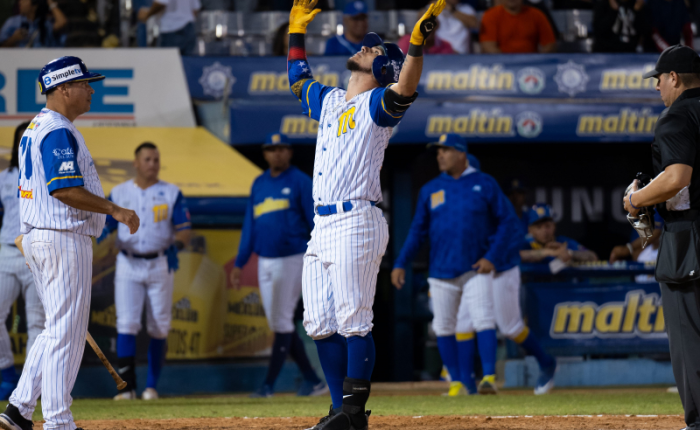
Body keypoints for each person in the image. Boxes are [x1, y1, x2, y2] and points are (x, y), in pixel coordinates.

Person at [287, 0, 436, 426]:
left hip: (356, 219)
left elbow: (406, 88)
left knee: (354, 321)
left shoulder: (377, 104)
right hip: (322, 224)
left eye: (373, 50)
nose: (364, 47)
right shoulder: (331, 100)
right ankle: (340, 411)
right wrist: (296, 31)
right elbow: (297, 79)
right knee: (319, 324)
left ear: (383, 68)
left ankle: (354, 414)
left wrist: (415, 45)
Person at [0, 56, 139, 430]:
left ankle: (19, 409)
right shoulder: (57, 129)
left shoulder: (36, 126)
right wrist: (115, 209)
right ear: (63, 88)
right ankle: (58, 420)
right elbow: (63, 189)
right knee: (66, 334)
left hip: (43, 237)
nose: (91, 89)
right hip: (62, 237)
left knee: (55, 330)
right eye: (84, 83)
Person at [391, 134, 520, 396]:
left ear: (461, 154)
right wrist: (401, 262)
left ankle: (488, 377)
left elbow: (508, 222)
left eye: (446, 150)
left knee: (484, 319)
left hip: (475, 268)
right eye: (438, 152)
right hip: (441, 270)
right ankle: (458, 382)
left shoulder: (484, 183)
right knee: (443, 326)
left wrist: (491, 257)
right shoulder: (431, 189)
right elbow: (417, 231)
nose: (440, 155)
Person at [624, 45, 700, 430]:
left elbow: (676, 178)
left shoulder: (677, 115)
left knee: (690, 338)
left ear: (673, 78)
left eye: (659, 79)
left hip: (691, 241)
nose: (656, 87)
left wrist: (635, 200)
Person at [230, 133, 327, 398]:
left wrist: (319, 255)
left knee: (282, 320)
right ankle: (313, 380)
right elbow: (250, 225)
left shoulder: (300, 181)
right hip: (265, 259)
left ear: (290, 152)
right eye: (272, 149)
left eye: (282, 148)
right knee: (278, 322)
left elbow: (314, 221)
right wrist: (240, 262)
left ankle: (268, 386)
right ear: (265, 153)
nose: (277, 153)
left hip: (292, 257)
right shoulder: (259, 183)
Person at [98, 142, 191, 401]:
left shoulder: (171, 192)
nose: (153, 164)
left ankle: (151, 387)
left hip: (160, 262)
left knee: (159, 326)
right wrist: (100, 233)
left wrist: (177, 246)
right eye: (147, 159)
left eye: (156, 159)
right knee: (126, 323)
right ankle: (127, 388)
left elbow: (185, 229)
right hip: (128, 262)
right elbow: (105, 224)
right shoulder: (119, 192)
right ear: (136, 163)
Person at [0, 122, 45, 401]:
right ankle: (7, 374)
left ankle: (31, 385)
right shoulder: (3, 178)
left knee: (38, 323)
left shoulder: (45, 173)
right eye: (20, 140)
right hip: (7, 250)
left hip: (36, 250)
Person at [520, 204, 598, 264]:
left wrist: (569, 253)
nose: (544, 231)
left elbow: (593, 256)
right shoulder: (526, 244)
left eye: (547, 226)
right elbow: (517, 256)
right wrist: (550, 252)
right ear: (530, 230)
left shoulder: (563, 243)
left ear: (554, 226)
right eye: (539, 227)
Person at [479, 0, 556, 53]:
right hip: (502, 66)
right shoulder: (490, 15)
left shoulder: (537, 15)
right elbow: (488, 46)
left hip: (531, 65)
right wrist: (508, 62)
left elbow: (550, 44)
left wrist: (539, 60)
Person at [0, 0, 67, 47]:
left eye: (24, 1)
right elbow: (2, 47)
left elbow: (62, 22)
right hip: (19, 61)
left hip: (43, 59)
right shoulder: (13, 22)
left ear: (34, 4)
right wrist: (13, 38)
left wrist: (49, 2)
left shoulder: (46, 23)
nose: (20, 3)